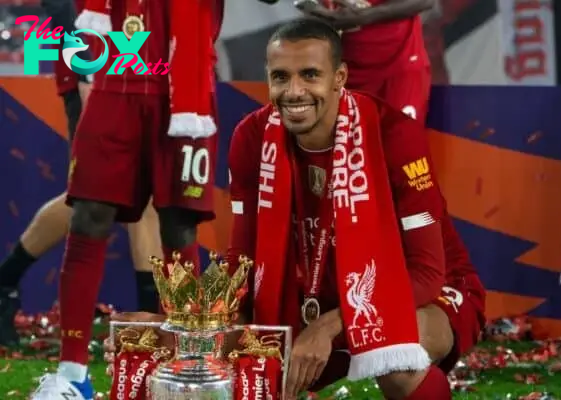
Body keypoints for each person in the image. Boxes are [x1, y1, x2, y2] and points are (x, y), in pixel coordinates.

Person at [104, 19, 485, 399]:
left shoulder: (393, 134)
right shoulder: (252, 138)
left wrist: (332, 326)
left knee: (392, 353)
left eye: (310, 75)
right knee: (239, 355)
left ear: (339, 77)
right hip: (308, 296)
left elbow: (427, 272)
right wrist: (176, 323)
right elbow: (242, 259)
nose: (294, 91)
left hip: (428, 292)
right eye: (281, 76)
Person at [30, 0, 218, 398]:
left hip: (184, 90)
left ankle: (185, 369)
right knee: (86, 216)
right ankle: (72, 375)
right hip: (112, 81)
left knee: (178, 225)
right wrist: (76, 65)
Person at [0, 0, 163, 349]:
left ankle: (151, 324)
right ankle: (151, 322)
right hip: (97, 52)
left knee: (137, 190)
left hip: (140, 51)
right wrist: (87, 72)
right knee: (95, 193)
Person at [296, 0, 433, 123]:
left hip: (399, 66)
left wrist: (365, 16)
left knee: (400, 145)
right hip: (344, 71)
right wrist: (317, 13)